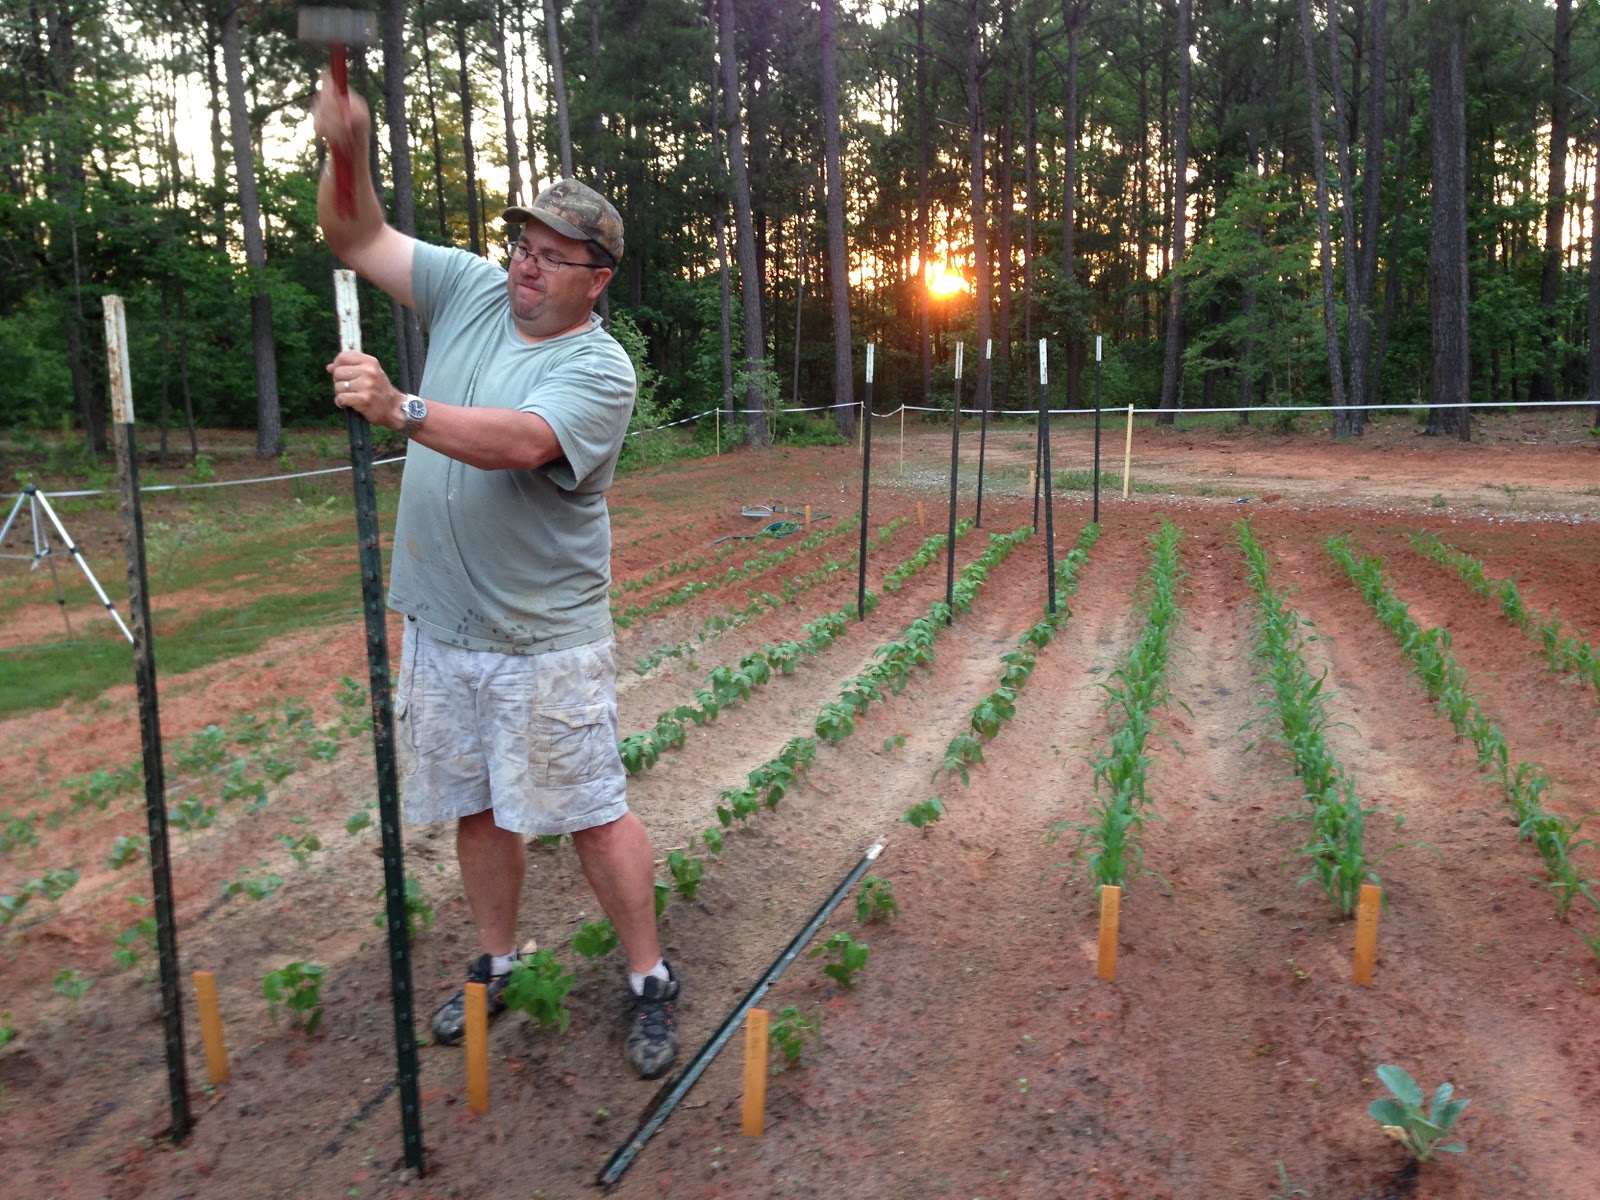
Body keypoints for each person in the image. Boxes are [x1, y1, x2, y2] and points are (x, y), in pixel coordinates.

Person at [310, 78, 680, 1080]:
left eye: (550, 256)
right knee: (478, 806)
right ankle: (499, 957)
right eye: (521, 244)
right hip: (441, 619)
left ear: (595, 277)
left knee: (591, 813)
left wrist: (402, 410)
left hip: (540, 635)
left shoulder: (601, 371)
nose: (524, 266)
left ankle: (648, 975)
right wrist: (347, 152)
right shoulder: (470, 290)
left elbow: (522, 443)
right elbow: (355, 238)